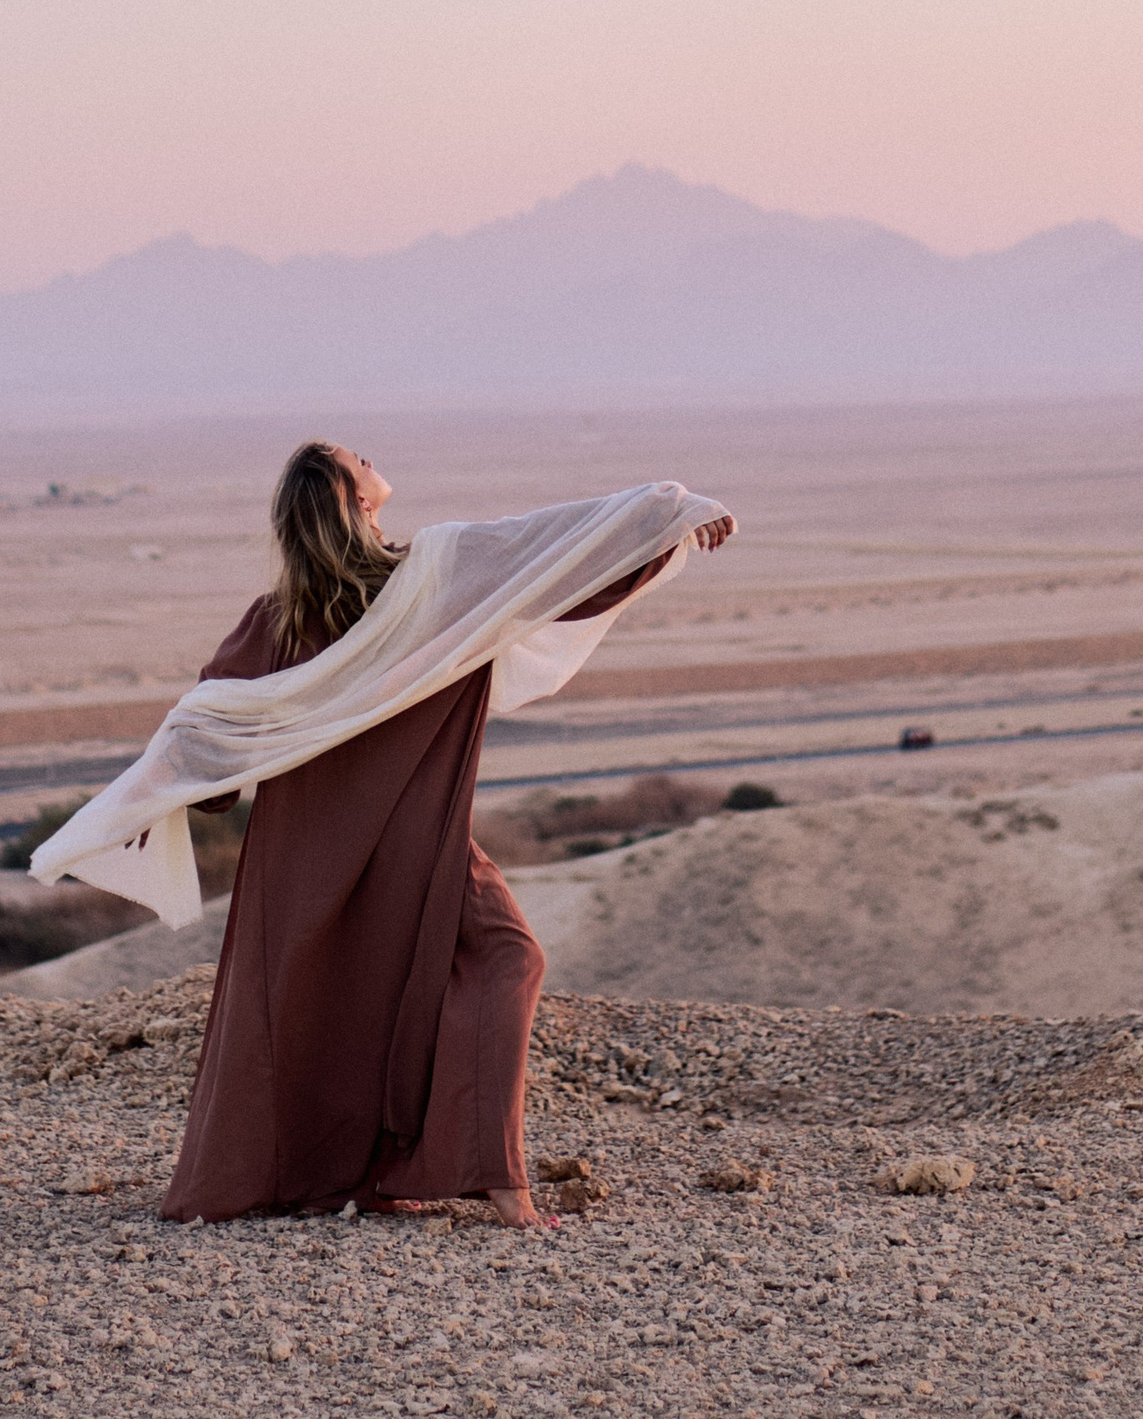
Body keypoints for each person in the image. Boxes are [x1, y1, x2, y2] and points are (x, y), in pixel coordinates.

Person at [156, 442, 735, 1229]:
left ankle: (379, 1169)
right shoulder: (427, 581)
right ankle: (494, 1177)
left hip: (309, 856)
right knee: (503, 957)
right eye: (356, 457)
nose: (371, 456)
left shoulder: (279, 619)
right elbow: (546, 554)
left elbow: (205, 735)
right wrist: (664, 516)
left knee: (346, 997)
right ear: (354, 499)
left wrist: (181, 787)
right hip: (413, 843)